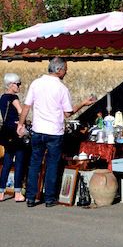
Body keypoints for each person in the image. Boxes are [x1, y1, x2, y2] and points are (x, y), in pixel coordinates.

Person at [17, 57, 96, 207]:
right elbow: (68, 113)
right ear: (59, 70)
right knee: (52, 164)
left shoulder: (36, 83)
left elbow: (26, 107)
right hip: (54, 131)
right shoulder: (61, 88)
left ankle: (31, 197)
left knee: (34, 163)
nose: (66, 72)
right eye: (65, 69)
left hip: (38, 130)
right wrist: (83, 103)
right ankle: (49, 198)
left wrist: (20, 125)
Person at [0, 73, 26, 201]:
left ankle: (1, 191)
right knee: (20, 161)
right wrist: (21, 123)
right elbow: (21, 111)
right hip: (15, 132)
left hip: (5, 131)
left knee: (7, 162)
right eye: (18, 84)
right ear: (11, 85)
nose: (19, 86)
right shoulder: (13, 97)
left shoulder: (3, 98)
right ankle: (17, 192)